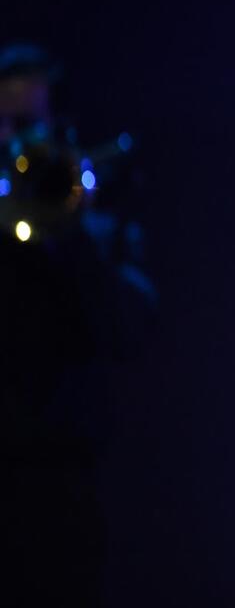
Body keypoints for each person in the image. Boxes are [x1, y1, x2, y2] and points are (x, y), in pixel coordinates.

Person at [0, 43, 156, 605]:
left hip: (62, 486)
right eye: (7, 124)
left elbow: (129, 332)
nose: (18, 143)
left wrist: (72, 233)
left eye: (29, 124)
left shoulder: (99, 229)